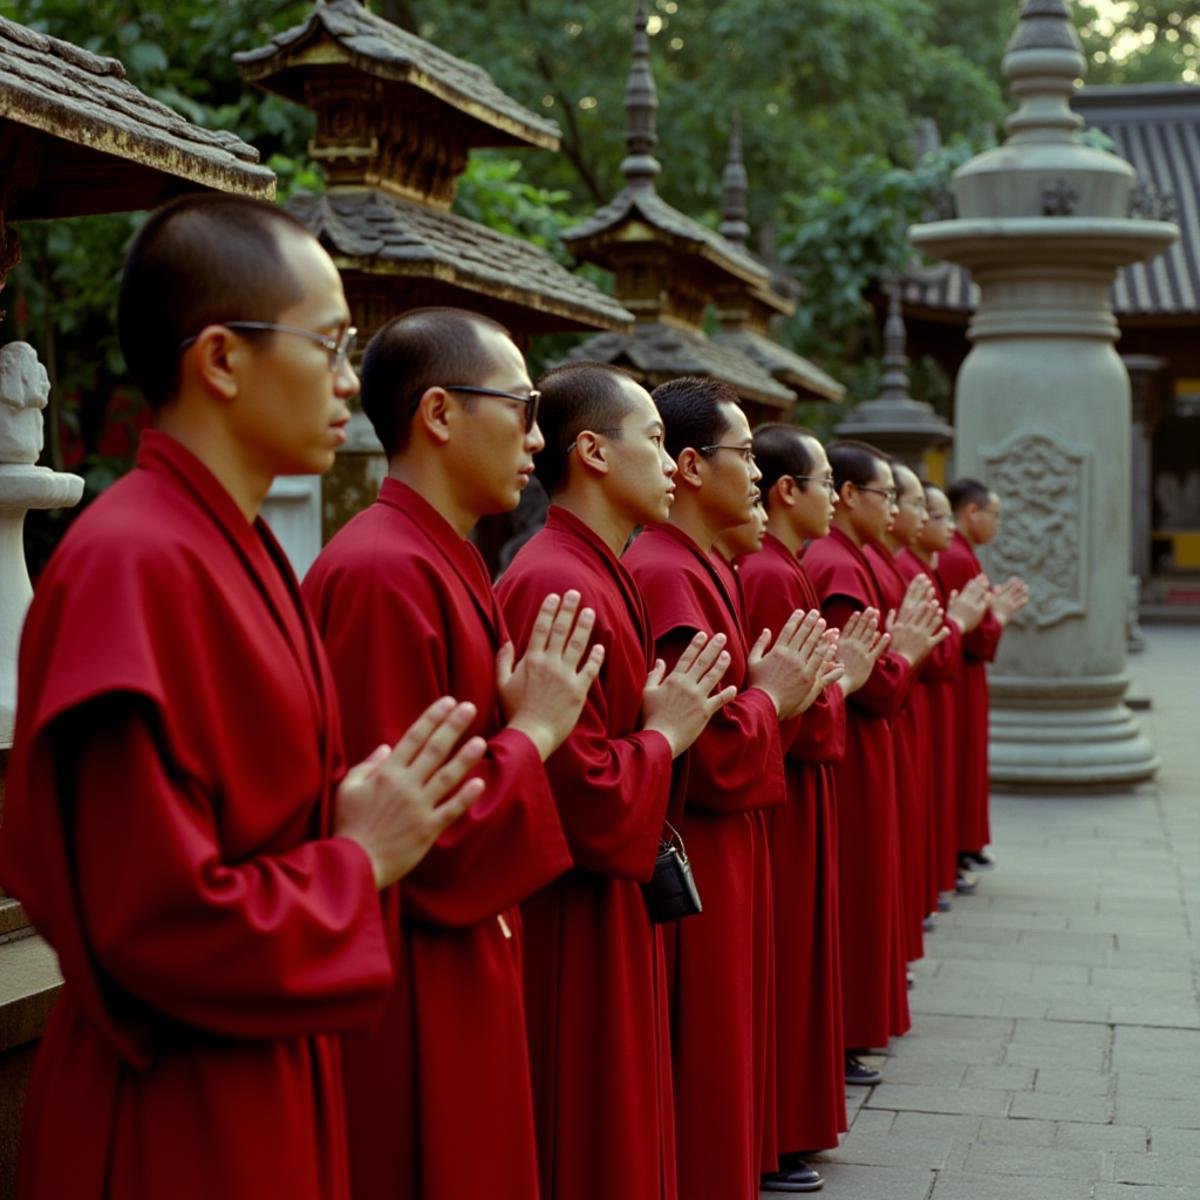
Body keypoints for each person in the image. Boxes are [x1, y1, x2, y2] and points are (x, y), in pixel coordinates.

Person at [0, 195, 490, 1200]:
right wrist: (360, 858)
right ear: (221, 359)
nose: (353, 379)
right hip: (175, 1108)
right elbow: (154, 921)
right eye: (329, 343)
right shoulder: (132, 565)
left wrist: (344, 826)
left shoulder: (232, 544)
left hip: (264, 1056)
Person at [303, 308, 604, 1200]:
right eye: (523, 410)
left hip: (465, 951)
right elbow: (420, 832)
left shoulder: (443, 559)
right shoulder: (384, 570)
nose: (538, 440)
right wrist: (538, 730)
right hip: (415, 978)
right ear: (439, 413)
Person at [496, 362, 736, 1200]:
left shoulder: (596, 568)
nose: (675, 467)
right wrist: (666, 736)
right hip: (573, 910)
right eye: (660, 443)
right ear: (594, 451)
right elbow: (580, 788)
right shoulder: (557, 578)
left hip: (607, 904)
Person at [623, 377, 825, 1200]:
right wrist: (773, 697)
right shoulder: (666, 573)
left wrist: (789, 693)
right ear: (692, 465)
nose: (755, 473)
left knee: (730, 1026)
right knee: (707, 1032)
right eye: (744, 453)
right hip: (697, 835)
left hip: (732, 834)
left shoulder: (694, 565)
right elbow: (701, 749)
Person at [742, 424, 888, 1191]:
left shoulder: (796, 564)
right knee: (789, 956)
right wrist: (850, 683)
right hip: (780, 790)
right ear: (785, 490)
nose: (836, 495)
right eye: (826, 480)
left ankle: (790, 1122)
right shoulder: (775, 572)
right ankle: (779, 1130)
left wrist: (844, 682)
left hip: (797, 778)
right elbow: (797, 702)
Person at [803, 440, 945, 1077]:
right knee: (857, 882)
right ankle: (847, 1027)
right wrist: (907, 653)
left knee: (872, 876)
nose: (896, 511)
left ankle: (859, 1017)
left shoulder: (857, 558)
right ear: (848, 497)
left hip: (865, 735)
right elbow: (867, 679)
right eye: (888, 496)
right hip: (846, 744)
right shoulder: (835, 564)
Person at [889, 466, 989, 926]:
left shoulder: (901, 565)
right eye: (930, 512)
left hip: (918, 697)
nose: (946, 527)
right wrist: (961, 624)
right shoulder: (905, 567)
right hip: (908, 700)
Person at [940, 479, 1029, 876]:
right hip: (956, 672)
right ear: (971, 512)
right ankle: (956, 846)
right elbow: (972, 634)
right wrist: (1001, 616)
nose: (997, 524)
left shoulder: (963, 554)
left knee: (966, 758)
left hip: (961, 672)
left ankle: (964, 843)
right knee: (959, 759)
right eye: (995, 514)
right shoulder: (957, 557)